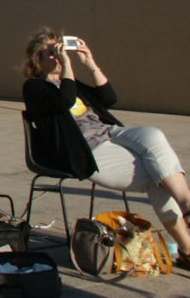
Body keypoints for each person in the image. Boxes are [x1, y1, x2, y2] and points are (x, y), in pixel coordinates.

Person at [22, 30, 190, 269]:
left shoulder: (70, 82)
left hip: (110, 134)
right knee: (158, 177)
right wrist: (67, 66)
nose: (57, 57)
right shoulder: (35, 87)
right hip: (87, 149)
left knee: (153, 134)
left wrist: (90, 64)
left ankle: (187, 205)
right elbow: (65, 100)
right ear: (36, 59)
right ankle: (187, 249)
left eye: (59, 51)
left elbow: (108, 98)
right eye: (51, 52)